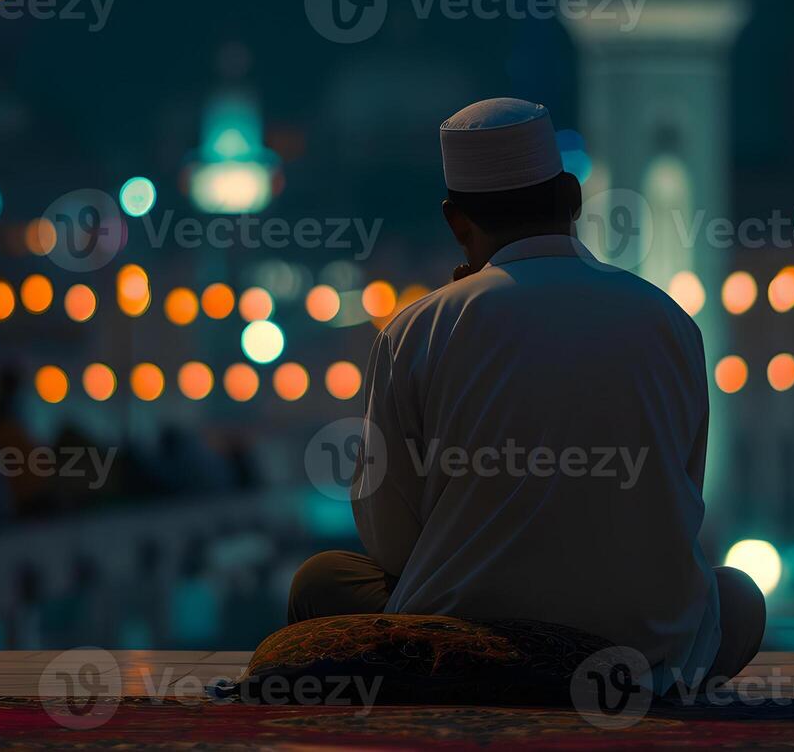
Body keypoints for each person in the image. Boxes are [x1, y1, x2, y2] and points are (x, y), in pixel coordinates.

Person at [288, 97, 764, 693]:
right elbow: (681, 500)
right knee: (738, 599)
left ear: (456, 222)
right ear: (573, 198)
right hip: (636, 648)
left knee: (320, 581)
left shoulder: (417, 330)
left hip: (461, 642)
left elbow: (389, 538)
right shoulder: (670, 322)